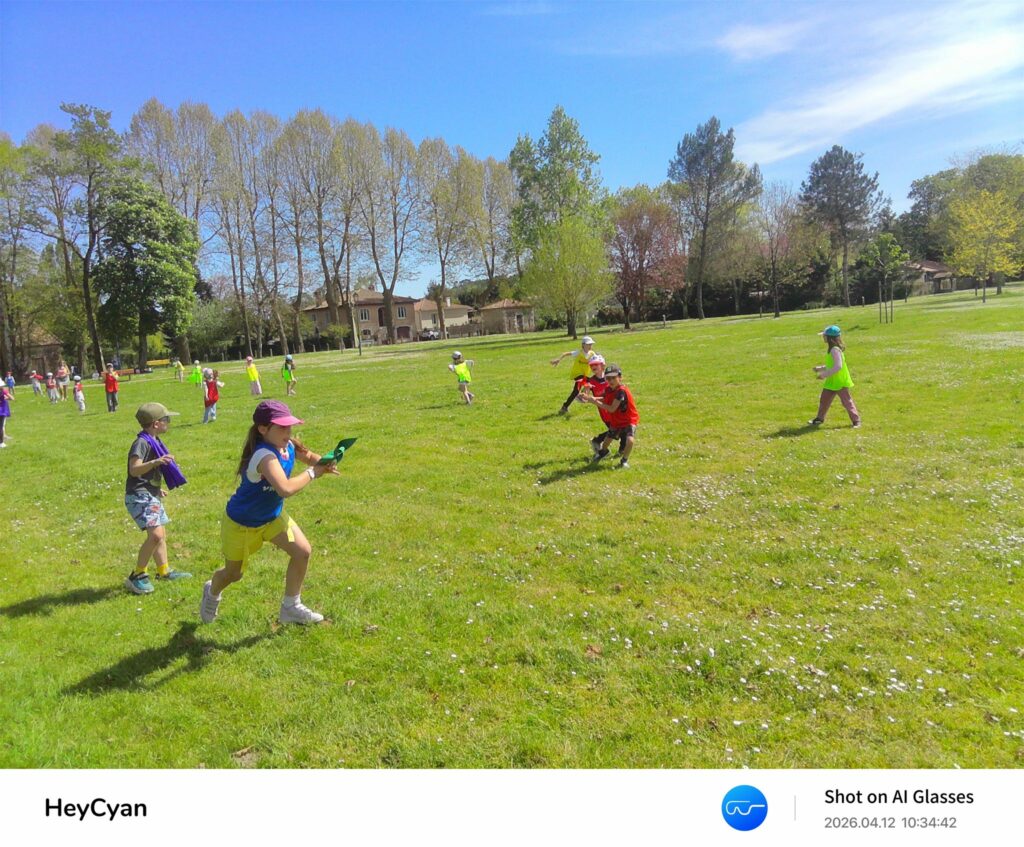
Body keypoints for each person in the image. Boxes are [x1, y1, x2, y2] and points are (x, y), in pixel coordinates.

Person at [199, 400, 339, 626]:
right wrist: (313, 472)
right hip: (242, 524)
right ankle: (212, 591)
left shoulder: (287, 445)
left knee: (302, 552)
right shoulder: (265, 456)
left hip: (272, 517)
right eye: (282, 427)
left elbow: (309, 456)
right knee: (234, 574)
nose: (288, 432)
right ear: (263, 429)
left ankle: (291, 607)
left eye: (290, 426)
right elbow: (285, 489)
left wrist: (327, 461)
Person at [123, 402, 191, 595]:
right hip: (139, 496)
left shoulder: (154, 440)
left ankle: (164, 571)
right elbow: (134, 469)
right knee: (156, 536)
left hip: (149, 493)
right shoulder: (142, 443)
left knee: (160, 534)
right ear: (155, 423)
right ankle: (137, 575)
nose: (168, 422)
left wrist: (155, 488)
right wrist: (155, 462)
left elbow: (144, 474)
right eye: (166, 419)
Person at [581, 363, 639, 469]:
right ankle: (603, 452)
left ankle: (624, 460)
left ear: (620, 377)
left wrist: (594, 401)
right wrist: (589, 398)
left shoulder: (621, 391)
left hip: (629, 420)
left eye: (613, 378)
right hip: (616, 420)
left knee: (630, 440)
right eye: (608, 378)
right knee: (606, 442)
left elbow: (612, 408)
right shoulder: (608, 389)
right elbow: (605, 398)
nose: (611, 381)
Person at [809, 325, 861, 428]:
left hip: (840, 381)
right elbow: (831, 365)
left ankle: (856, 421)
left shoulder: (835, 350)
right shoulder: (831, 349)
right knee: (824, 400)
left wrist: (824, 375)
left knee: (846, 402)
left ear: (830, 338)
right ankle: (819, 418)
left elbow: (838, 366)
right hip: (831, 381)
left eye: (824, 336)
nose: (823, 337)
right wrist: (820, 368)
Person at [550, 335, 598, 414]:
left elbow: (598, 360)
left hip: (584, 375)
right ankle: (582, 395)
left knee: (575, 391)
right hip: (577, 374)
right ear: (583, 345)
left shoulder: (592, 354)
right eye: (588, 344)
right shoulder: (578, 352)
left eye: (591, 344)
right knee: (589, 382)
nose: (590, 346)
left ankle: (565, 407)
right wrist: (558, 359)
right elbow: (565, 354)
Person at [0, 382, 11, 447]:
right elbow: (12, 398)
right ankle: (1, 443)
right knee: (1, 427)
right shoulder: (3, 391)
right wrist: (6, 398)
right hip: (2, 411)